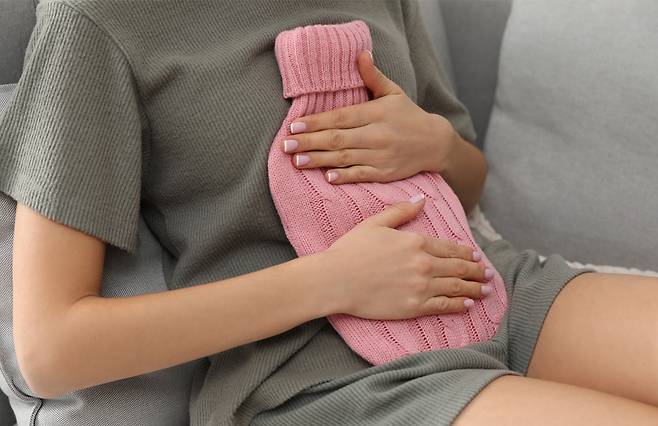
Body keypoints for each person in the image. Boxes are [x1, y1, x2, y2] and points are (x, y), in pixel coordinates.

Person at [0, 0, 656, 425]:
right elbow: (53, 349)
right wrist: (333, 282)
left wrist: (436, 144)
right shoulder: (98, 23)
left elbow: (466, 185)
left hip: (485, 284)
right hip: (319, 379)